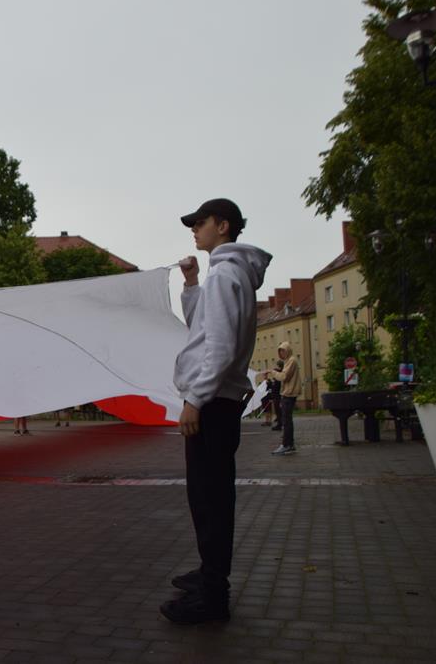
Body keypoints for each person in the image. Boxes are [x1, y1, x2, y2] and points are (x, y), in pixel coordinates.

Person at [163, 198, 271, 625]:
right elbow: (203, 327)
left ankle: (213, 597)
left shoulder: (227, 273)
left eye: (200, 222)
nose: (194, 229)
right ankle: (210, 575)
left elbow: (220, 350)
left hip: (213, 404)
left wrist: (195, 399)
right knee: (206, 497)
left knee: (210, 498)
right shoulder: (222, 274)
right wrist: (190, 283)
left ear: (222, 226)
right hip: (217, 402)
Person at [265, 342, 300, 455]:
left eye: (283, 351)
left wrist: (273, 372)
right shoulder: (288, 361)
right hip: (287, 393)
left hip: (289, 394)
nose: (281, 353)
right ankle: (289, 443)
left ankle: (286, 445)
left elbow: (283, 376)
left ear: (288, 350)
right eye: (280, 351)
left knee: (286, 421)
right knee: (287, 420)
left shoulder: (292, 361)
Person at [267, 359, 284, 430]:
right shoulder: (279, 374)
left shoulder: (279, 375)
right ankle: (280, 422)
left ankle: (280, 424)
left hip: (278, 396)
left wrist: (271, 384)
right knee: (278, 411)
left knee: (278, 410)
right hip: (277, 396)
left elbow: (276, 386)